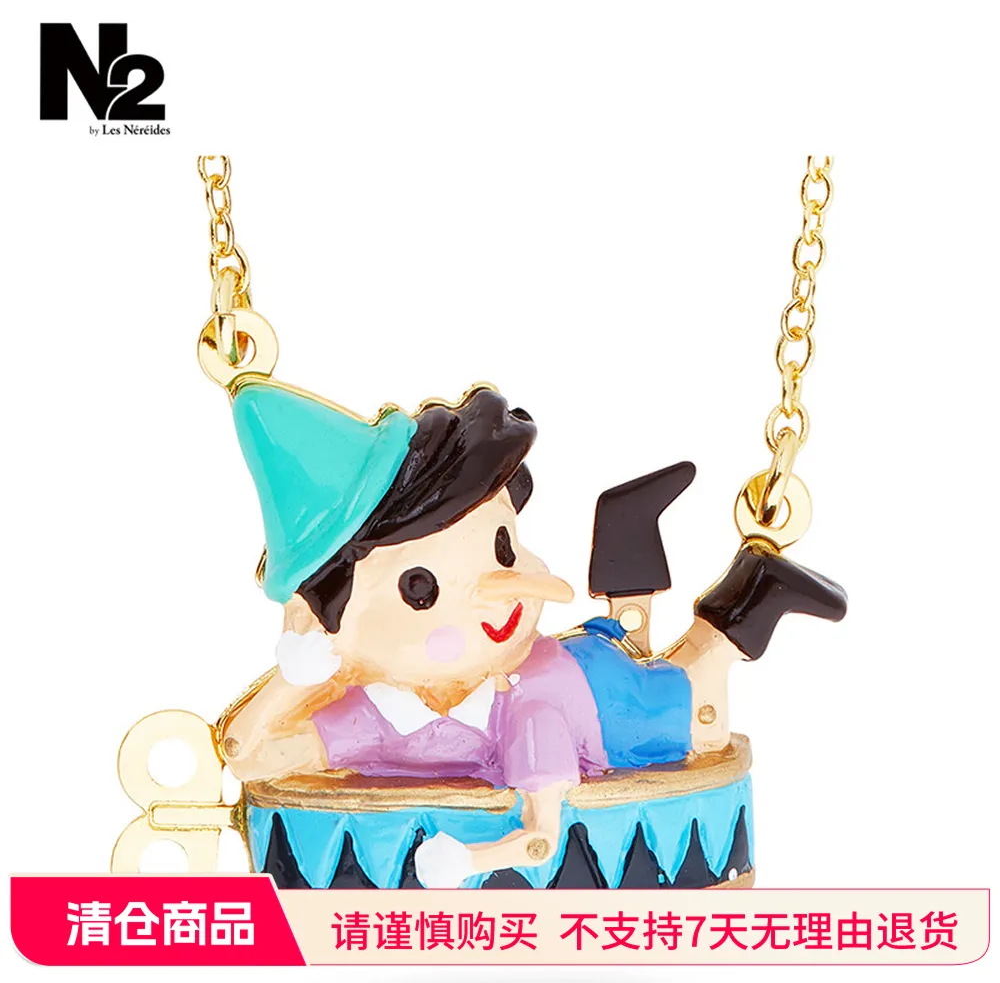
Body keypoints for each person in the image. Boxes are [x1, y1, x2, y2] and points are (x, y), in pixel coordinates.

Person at [222, 380, 845, 886]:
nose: (501, 586)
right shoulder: (373, 719)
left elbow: (542, 835)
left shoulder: (525, 713)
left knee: (700, 715)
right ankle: (752, 589)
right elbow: (248, 754)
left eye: (503, 546)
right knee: (694, 697)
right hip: (586, 688)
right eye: (421, 588)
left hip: (609, 706)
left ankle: (753, 595)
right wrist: (292, 678)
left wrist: (468, 861)